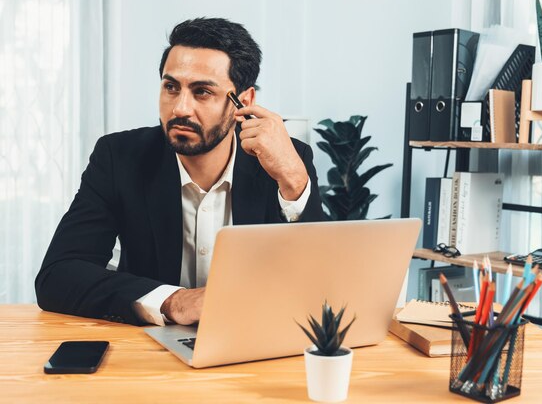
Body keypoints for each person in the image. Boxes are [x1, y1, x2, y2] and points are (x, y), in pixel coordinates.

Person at [35, 18, 325, 326]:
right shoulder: (119, 157)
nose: (180, 108)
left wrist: (294, 178)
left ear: (245, 101)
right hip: (149, 350)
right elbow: (58, 275)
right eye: (171, 87)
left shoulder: (286, 159)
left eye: (202, 92)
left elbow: (322, 284)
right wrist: (173, 301)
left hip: (253, 344)